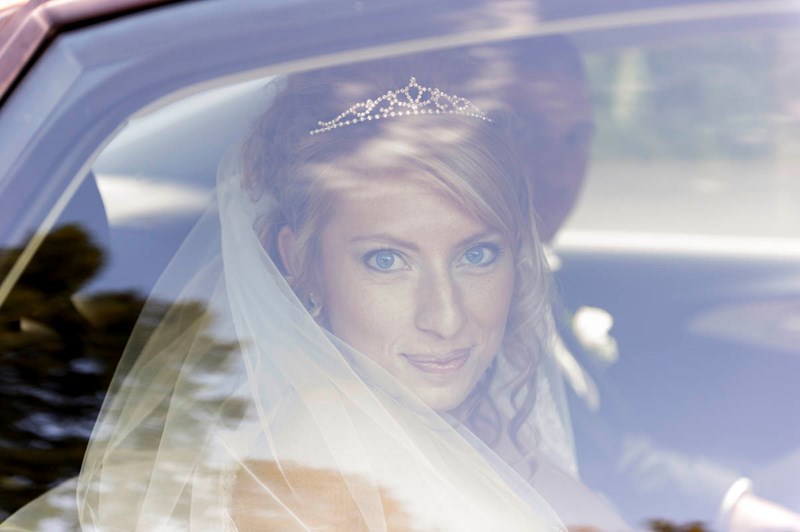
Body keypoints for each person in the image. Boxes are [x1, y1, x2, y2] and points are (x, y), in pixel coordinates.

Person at [57, 53, 628, 531]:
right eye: (387, 260)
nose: (447, 318)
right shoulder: (313, 474)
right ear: (300, 262)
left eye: (476, 255)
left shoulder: (462, 421)